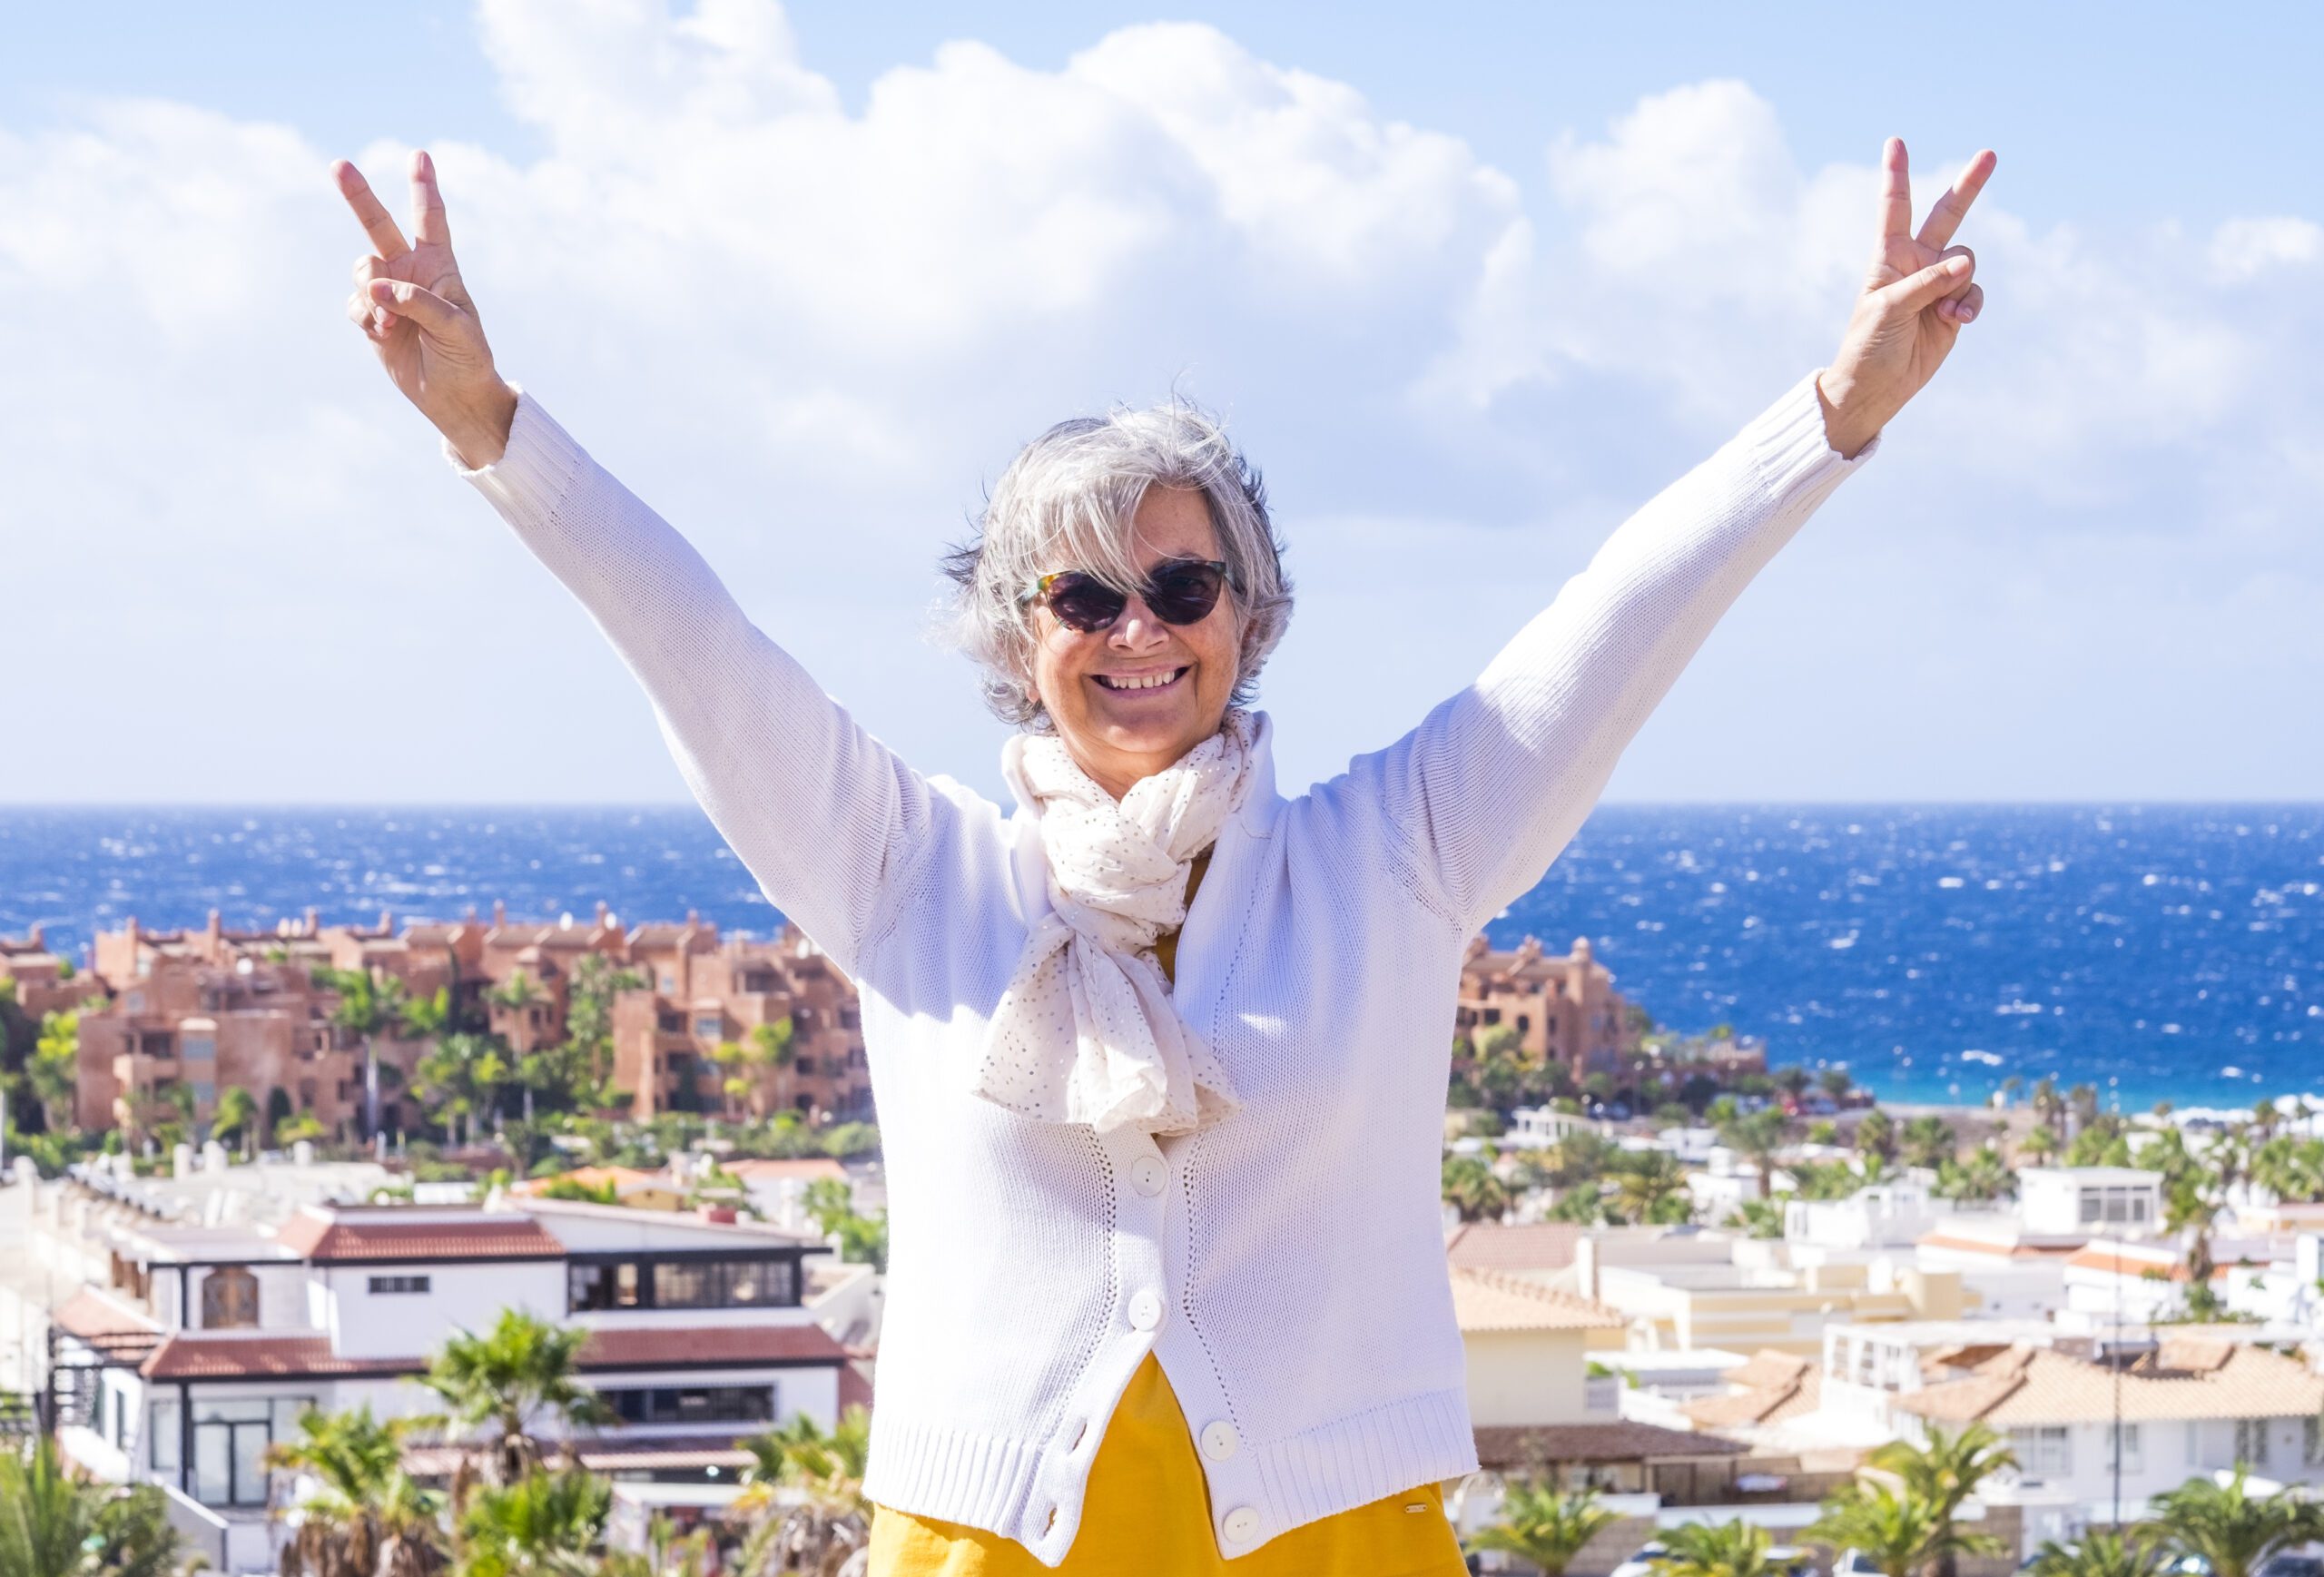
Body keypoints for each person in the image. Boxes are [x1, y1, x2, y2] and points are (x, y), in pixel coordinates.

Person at [333, 134, 1992, 1575]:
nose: (1140, 630)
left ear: (1249, 614)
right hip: (985, 1547)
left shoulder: (1395, 854)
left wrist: (1830, 417)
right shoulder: (912, 874)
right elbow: (696, 645)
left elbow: (1613, 625)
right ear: (1012, 631)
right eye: (1083, 595)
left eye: (1183, 587)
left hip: (1343, 1544)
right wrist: (493, 428)